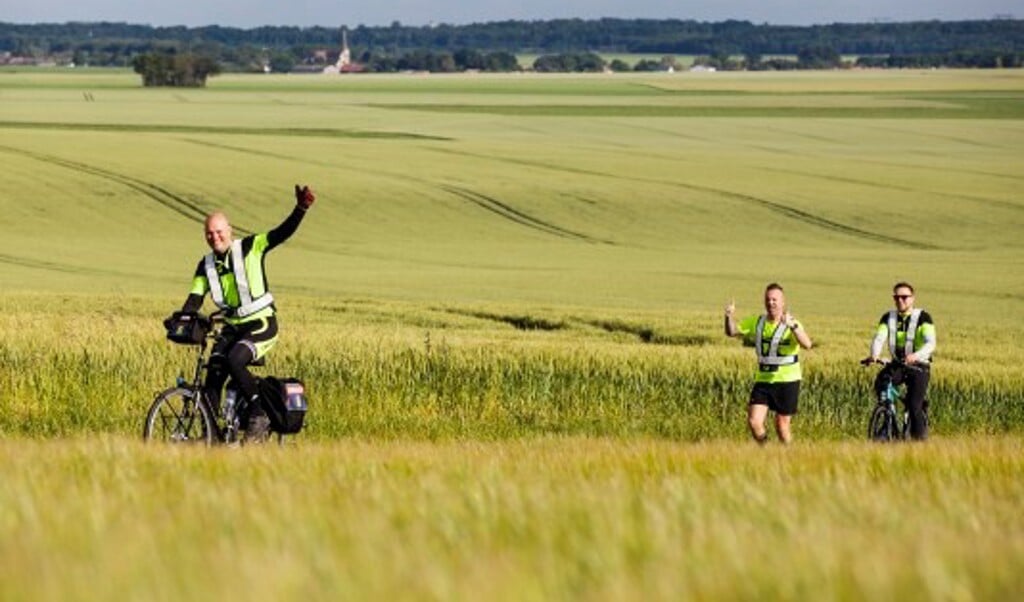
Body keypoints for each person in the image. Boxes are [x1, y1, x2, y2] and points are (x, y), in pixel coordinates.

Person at [173, 184, 316, 443]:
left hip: (261, 323)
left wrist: (300, 209)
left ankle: (259, 413)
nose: (214, 237)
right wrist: (183, 319)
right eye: (209, 233)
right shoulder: (205, 266)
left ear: (230, 231)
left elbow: (281, 233)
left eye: (219, 232)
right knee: (214, 371)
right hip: (232, 326)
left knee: (235, 360)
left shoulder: (251, 247)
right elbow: (194, 298)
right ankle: (211, 436)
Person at [724, 283, 813, 445]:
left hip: (788, 380)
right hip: (763, 379)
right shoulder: (757, 322)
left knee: (781, 424)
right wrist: (729, 316)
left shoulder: (793, 323)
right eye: (768, 299)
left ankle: (789, 458)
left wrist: (793, 327)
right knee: (754, 421)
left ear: (782, 302)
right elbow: (732, 332)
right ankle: (767, 451)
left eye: (774, 299)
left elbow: (807, 344)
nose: (771, 303)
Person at [861, 282, 936, 440]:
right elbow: (879, 337)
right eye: (896, 297)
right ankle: (886, 422)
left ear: (912, 299)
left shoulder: (923, 317)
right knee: (882, 381)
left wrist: (916, 356)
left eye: (904, 297)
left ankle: (919, 442)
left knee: (914, 404)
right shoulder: (888, 317)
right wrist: (874, 355)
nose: (900, 300)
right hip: (898, 364)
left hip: (919, 366)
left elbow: (931, 343)